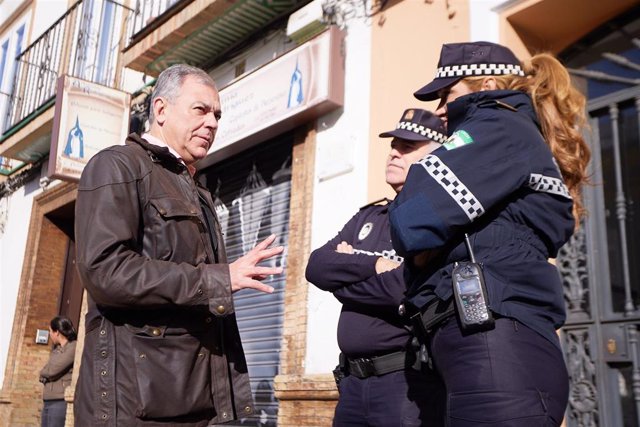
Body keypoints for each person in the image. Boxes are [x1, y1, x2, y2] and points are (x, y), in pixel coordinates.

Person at [389, 41, 591, 426]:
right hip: (485, 346)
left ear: (485, 84)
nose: (439, 110)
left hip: (495, 348)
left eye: (447, 93)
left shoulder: (497, 123)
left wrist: (422, 180)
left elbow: (410, 223)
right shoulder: (507, 129)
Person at [74, 64, 284, 426]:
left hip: (194, 403)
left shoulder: (198, 192)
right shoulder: (117, 166)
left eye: (217, 114)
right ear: (160, 110)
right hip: (135, 407)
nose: (213, 122)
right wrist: (219, 280)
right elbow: (105, 271)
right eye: (200, 109)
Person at [306, 109, 447, 427]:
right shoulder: (370, 217)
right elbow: (316, 266)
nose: (394, 153)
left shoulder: (433, 217)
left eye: (408, 147)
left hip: (404, 383)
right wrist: (374, 264)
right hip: (352, 384)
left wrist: (343, 281)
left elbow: (405, 289)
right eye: (393, 145)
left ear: (435, 156)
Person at [39, 316, 77, 427]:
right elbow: (46, 369)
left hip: (59, 401)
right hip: (48, 399)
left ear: (57, 332)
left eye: (50, 331)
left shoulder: (73, 347)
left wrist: (45, 374)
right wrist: (44, 373)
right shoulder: (57, 350)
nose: (50, 334)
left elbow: (52, 370)